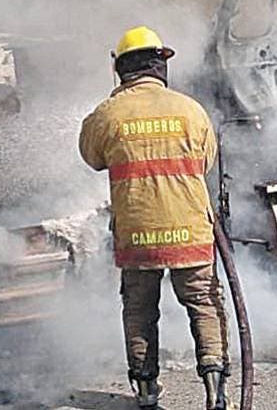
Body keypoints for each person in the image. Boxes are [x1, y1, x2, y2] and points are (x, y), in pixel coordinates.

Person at [79, 26, 231, 410]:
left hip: (138, 235)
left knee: (140, 310)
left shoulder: (106, 115)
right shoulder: (191, 110)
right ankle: (215, 391)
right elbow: (206, 162)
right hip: (191, 231)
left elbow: (92, 157)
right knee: (204, 303)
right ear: (159, 65)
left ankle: (147, 392)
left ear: (120, 69)